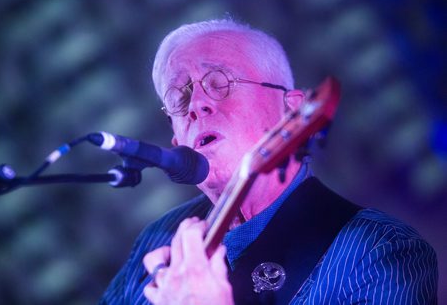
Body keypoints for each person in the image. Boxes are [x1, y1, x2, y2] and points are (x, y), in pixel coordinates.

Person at [100, 19, 438, 304]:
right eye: (180, 97)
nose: (196, 106)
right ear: (176, 142)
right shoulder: (160, 238)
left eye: (220, 83)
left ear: (290, 109)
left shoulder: (379, 250)